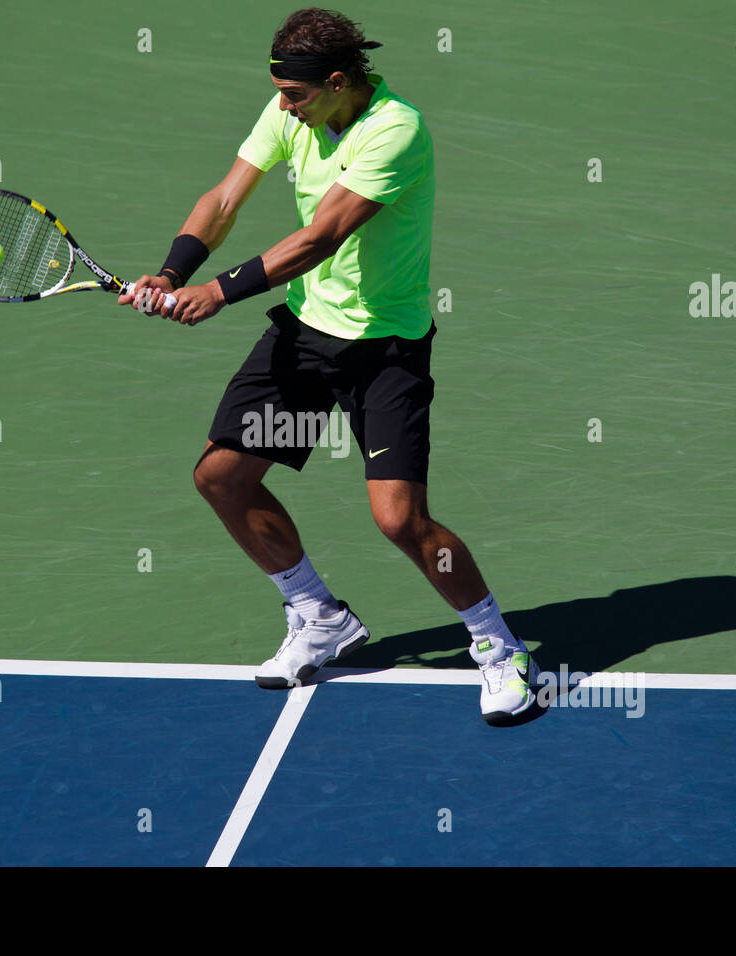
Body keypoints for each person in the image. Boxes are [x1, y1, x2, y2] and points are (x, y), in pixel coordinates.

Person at [119, 8, 538, 723]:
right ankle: (317, 614)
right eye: (280, 92)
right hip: (308, 335)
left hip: (385, 348)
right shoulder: (295, 107)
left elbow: (322, 236)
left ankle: (500, 647)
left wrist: (217, 292)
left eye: (297, 96)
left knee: (399, 520)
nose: (284, 106)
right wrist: (172, 269)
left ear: (338, 82)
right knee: (222, 477)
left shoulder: (397, 131)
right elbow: (224, 198)